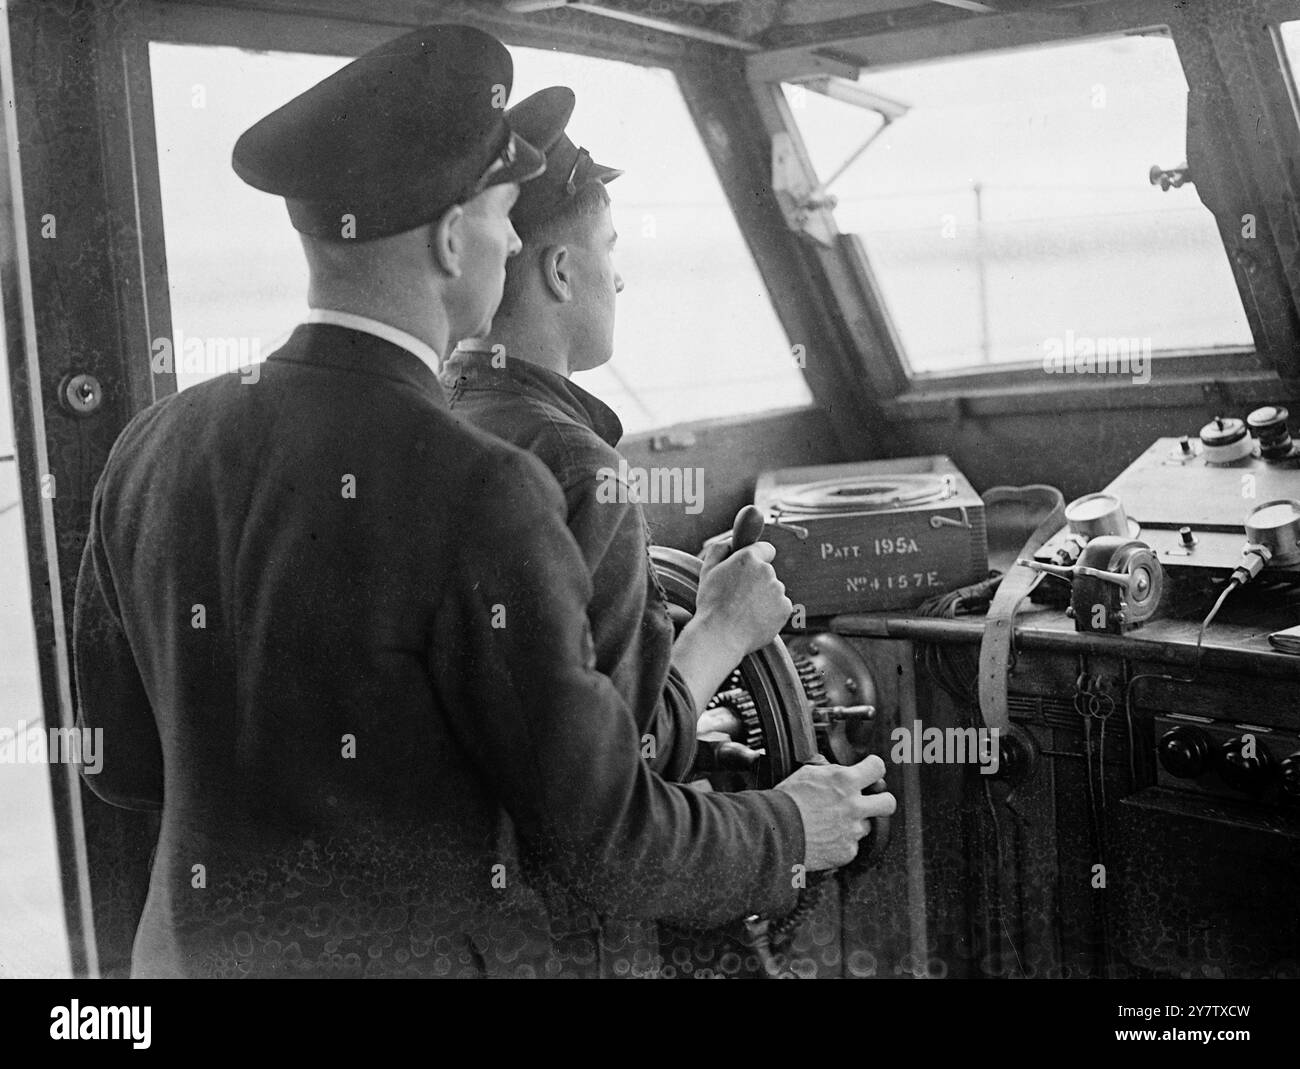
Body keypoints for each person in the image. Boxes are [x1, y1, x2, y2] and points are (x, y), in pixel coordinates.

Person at [73, 24, 895, 979]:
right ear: (452, 238)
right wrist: (792, 824)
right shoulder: (483, 490)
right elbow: (601, 845)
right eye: (506, 211)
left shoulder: (152, 444)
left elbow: (122, 766)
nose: (514, 237)